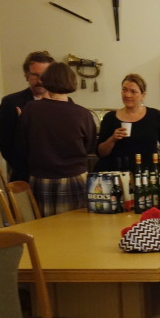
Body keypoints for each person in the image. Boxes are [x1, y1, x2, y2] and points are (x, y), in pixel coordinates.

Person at [15, 62, 96, 216]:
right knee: (78, 226)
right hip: (75, 179)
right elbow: (90, 147)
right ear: (71, 81)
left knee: (44, 227)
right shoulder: (83, 114)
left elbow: (21, 147)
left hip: (42, 179)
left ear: (46, 81)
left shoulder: (31, 109)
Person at [96, 74, 160, 172]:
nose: (127, 95)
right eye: (124, 90)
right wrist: (112, 139)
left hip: (148, 173)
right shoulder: (110, 118)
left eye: (133, 91)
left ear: (143, 95)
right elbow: (101, 153)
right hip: (118, 173)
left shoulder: (154, 116)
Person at [0, 50, 54, 181]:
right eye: (35, 75)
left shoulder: (64, 102)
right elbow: (5, 141)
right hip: (24, 175)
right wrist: (21, 166)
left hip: (56, 174)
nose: (40, 80)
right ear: (26, 76)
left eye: (45, 75)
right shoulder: (11, 102)